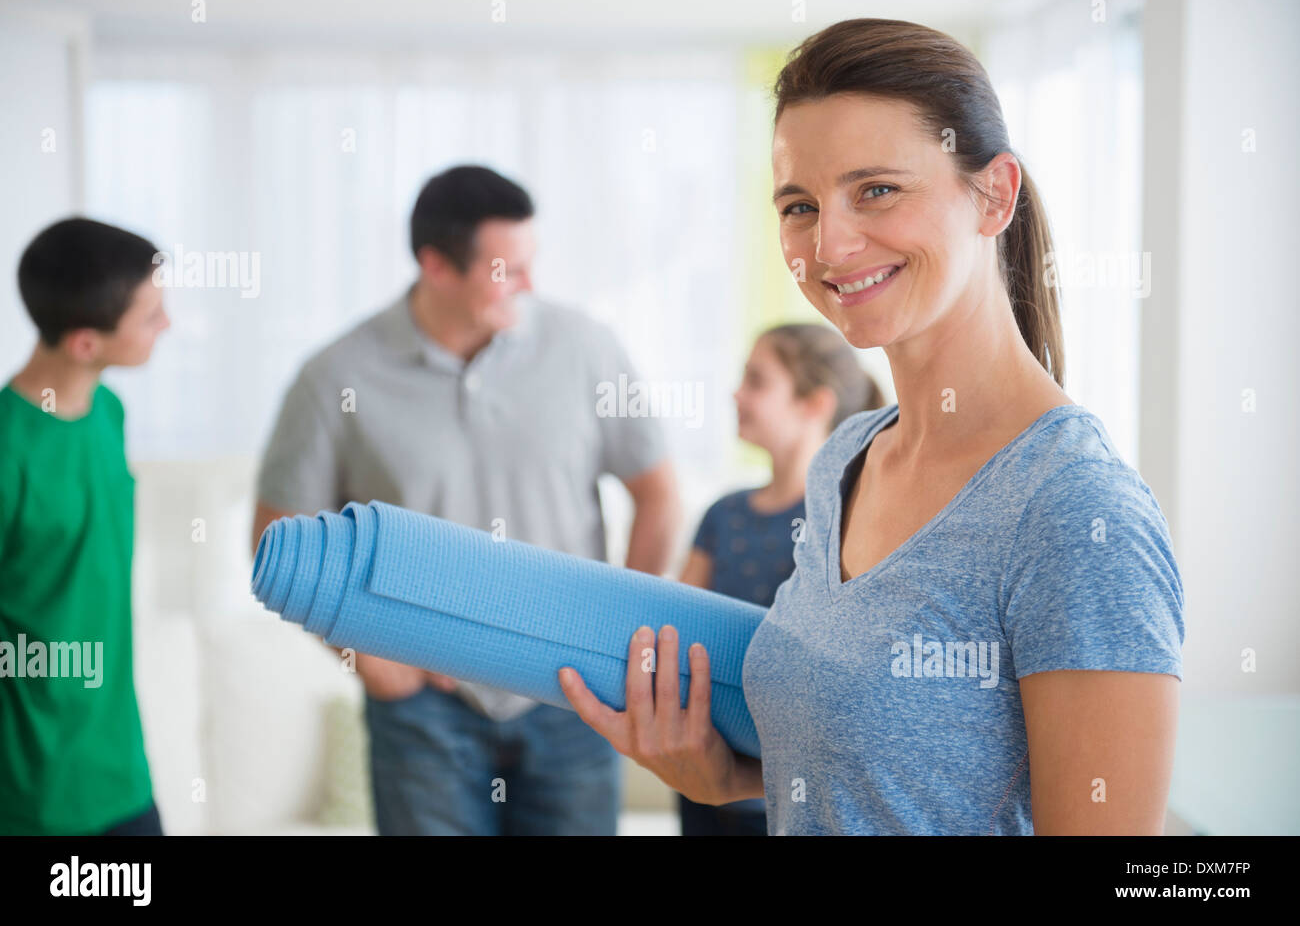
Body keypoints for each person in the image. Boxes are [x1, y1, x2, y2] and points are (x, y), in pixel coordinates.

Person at [559, 18, 1184, 835]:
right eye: (799, 205)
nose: (830, 244)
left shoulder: (1072, 511)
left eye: (877, 190)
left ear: (993, 194)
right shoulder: (845, 459)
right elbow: (890, 776)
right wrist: (731, 776)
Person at [253, 165, 680, 835]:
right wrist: (359, 653)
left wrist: (619, 639)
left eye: (531, 263)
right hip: (424, 711)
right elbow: (276, 537)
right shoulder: (335, 375)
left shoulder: (586, 348)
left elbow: (655, 492)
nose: (531, 286)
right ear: (436, 267)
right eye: (508, 269)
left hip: (575, 699)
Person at [676, 323, 883, 835]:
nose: (736, 393)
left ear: (814, 404)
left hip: (797, 798)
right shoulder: (721, 515)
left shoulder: (853, 520)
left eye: (756, 381)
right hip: (703, 781)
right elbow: (676, 630)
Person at [0, 217, 171, 835]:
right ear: (85, 342)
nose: (168, 326)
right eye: (150, 316)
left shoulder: (108, 412)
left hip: (122, 772)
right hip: (32, 794)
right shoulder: (8, 453)